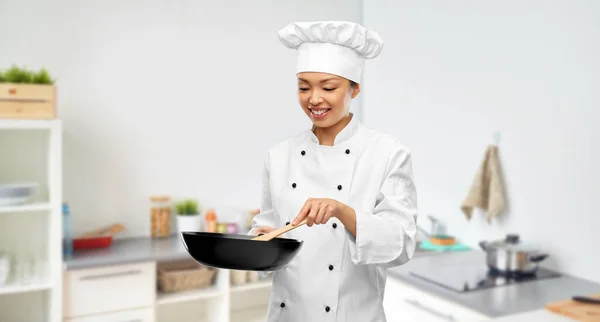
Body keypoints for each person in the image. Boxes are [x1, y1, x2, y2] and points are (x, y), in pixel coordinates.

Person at [249, 20, 419, 322]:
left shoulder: (386, 153)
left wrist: (343, 211)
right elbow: (267, 228)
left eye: (328, 87)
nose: (314, 98)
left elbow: (401, 244)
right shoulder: (278, 157)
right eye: (304, 87)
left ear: (355, 89)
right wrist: (263, 241)